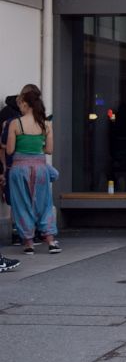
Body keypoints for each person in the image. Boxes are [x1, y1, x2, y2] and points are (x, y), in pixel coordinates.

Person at [5, 85, 60, 255]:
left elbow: (9, 150)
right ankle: (50, 241)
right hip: (40, 167)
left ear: (25, 105)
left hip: (19, 168)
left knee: (21, 204)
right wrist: (36, 151)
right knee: (44, 204)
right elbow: (49, 150)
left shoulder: (16, 123)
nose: (19, 108)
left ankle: (28, 242)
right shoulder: (46, 124)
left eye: (20, 104)